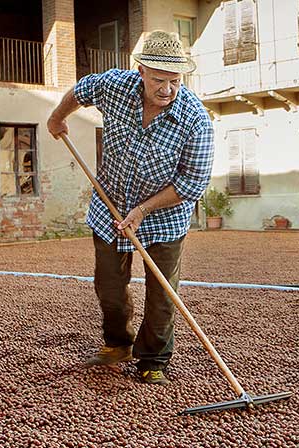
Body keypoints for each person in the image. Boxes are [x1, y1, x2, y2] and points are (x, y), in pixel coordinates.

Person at [47, 31, 213, 385]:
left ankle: (152, 359)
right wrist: (57, 117)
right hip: (109, 209)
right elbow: (81, 90)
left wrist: (143, 210)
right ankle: (118, 344)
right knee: (108, 285)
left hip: (164, 216)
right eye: (158, 80)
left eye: (175, 81)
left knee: (162, 292)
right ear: (139, 70)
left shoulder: (195, 118)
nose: (167, 89)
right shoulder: (115, 87)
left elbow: (193, 181)